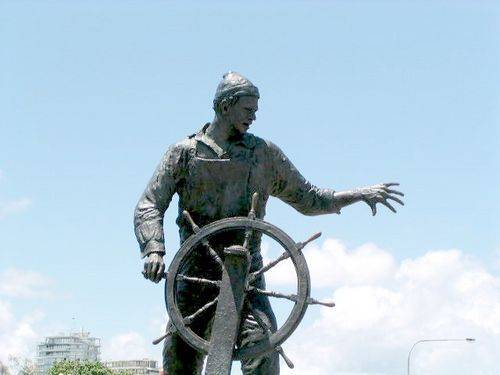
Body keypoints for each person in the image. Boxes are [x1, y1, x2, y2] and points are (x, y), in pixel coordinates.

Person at [134, 72, 404, 374]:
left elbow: (309, 198)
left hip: (247, 275)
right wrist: (153, 249)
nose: (254, 117)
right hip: (193, 275)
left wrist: (356, 194)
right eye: (248, 110)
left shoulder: (263, 155)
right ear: (225, 106)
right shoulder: (183, 153)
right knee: (179, 359)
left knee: (263, 348)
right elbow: (149, 204)